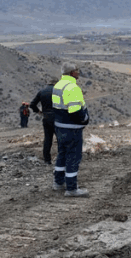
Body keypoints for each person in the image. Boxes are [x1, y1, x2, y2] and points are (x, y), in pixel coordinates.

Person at [52, 61, 90, 197]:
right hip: (72, 129)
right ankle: (72, 188)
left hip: (60, 127)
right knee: (73, 157)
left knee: (61, 155)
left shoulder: (58, 85)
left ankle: (58, 183)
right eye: (77, 70)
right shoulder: (72, 87)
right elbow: (75, 111)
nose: (79, 72)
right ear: (72, 73)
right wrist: (84, 119)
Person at [30, 78, 57, 164]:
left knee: (47, 139)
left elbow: (32, 104)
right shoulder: (58, 91)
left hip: (46, 118)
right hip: (57, 118)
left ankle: (47, 160)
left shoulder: (42, 91)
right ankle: (61, 159)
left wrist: (39, 112)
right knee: (60, 139)